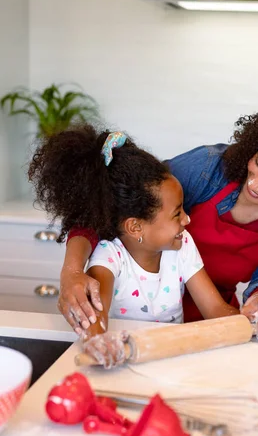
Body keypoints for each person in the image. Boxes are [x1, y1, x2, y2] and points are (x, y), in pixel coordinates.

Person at [53, 90, 258, 337]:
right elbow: (116, 202)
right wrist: (71, 271)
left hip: (214, 320)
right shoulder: (206, 168)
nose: (256, 183)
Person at [28, 126, 242, 367]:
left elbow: (215, 309)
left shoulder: (183, 246)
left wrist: (251, 322)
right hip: (126, 365)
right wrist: (99, 343)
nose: (187, 220)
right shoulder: (110, 257)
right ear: (135, 228)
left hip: (171, 363)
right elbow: (95, 318)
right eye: (176, 213)